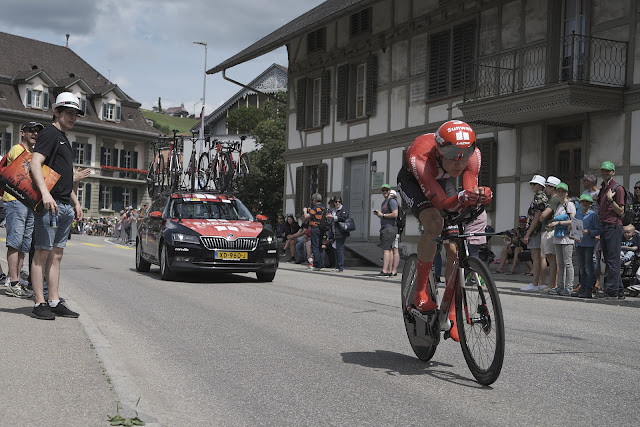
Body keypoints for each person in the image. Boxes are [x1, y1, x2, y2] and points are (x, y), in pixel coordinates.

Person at [397, 120, 492, 343]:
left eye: (464, 153)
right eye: (451, 154)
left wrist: (479, 195)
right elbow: (440, 202)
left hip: (445, 181)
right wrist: (460, 198)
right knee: (434, 222)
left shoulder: (473, 156)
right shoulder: (420, 155)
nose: (459, 162)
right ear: (439, 151)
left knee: (454, 248)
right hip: (416, 180)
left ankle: (451, 314)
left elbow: (468, 190)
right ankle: (420, 290)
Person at [30, 92, 84, 320]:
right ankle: (39, 303)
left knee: (57, 255)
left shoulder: (63, 137)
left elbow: (61, 176)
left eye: (75, 114)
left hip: (63, 205)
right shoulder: (50, 134)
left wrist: (76, 202)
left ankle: (53, 300)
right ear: (57, 112)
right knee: (41, 254)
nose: (72, 117)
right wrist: (45, 194)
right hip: (49, 204)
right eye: (68, 113)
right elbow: (35, 163)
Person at [3, 121, 43, 298]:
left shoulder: (34, 154)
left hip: (28, 203)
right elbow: (24, 174)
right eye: (31, 131)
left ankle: (16, 280)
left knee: (24, 245)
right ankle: (12, 282)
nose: (35, 134)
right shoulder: (17, 150)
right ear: (22, 133)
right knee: (14, 242)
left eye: (37, 132)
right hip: (15, 200)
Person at [597, 161, 626, 299]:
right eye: (603, 171)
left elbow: (621, 211)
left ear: (613, 172)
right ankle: (619, 289)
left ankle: (612, 290)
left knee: (613, 259)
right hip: (604, 225)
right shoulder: (603, 187)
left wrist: (610, 200)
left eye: (607, 171)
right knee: (608, 258)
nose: (605, 173)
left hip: (613, 226)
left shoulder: (617, 188)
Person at [547, 183, 576, 296]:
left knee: (568, 262)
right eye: (559, 191)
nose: (560, 193)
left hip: (567, 237)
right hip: (558, 237)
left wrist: (558, 222)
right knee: (560, 263)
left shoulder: (569, 205)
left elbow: (573, 220)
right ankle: (560, 286)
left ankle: (569, 287)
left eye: (562, 191)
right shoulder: (558, 205)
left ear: (566, 193)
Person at [521, 175, 548, 291]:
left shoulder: (539, 198)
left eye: (534, 184)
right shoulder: (543, 197)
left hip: (535, 231)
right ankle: (541, 282)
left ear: (541, 186)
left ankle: (535, 283)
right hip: (539, 230)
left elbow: (536, 217)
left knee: (536, 256)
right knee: (540, 256)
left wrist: (528, 233)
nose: (532, 186)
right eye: (531, 184)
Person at [572, 194, 600, 298]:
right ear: (579, 203)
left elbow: (598, 230)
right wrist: (572, 230)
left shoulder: (593, 215)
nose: (584, 204)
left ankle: (588, 289)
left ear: (590, 204)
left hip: (588, 244)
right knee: (581, 267)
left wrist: (589, 232)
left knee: (588, 267)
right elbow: (574, 229)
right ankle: (582, 287)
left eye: (587, 202)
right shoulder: (577, 215)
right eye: (582, 202)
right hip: (579, 243)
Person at [538, 176, 561, 292]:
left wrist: (541, 216)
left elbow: (543, 216)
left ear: (552, 188)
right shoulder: (551, 199)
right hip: (547, 231)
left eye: (547, 186)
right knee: (551, 258)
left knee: (552, 259)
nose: (545, 188)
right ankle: (552, 284)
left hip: (549, 231)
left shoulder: (554, 199)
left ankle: (553, 284)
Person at [373, 184, 398, 278]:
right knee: (389, 249)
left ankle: (384, 271)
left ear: (389, 190)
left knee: (386, 249)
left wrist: (382, 215)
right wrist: (379, 214)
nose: (384, 192)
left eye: (386, 190)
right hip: (385, 227)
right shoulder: (385, 202)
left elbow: (395, 214)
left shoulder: (392, 201)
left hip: (389, 227)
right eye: (383, 190)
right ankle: (388, 270)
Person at [326, 196, 349, 272]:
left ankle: (340, 267)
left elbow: (343, 218)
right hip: (334, 232)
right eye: (336, 202)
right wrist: (329, 218)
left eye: (339, 202)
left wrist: (333, 217)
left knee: (339, 249)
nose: (337, 203)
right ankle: (337, 266)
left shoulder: (343, 210)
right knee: (335, 249)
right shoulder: (333, 210)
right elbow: (330, 222)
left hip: (341, 232)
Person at [303, 193, 325, 271]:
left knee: (315, 247)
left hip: (315, 228)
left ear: (314, 200)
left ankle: (316, 265)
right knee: (320, 247)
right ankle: (321, 265)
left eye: (313, 200)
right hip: (321, 229)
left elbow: (306, 217)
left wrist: (305, 211)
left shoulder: (315, 208)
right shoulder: (323, 208)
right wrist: (310, 211)